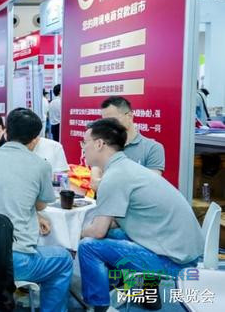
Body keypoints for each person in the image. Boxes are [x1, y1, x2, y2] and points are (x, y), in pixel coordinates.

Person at [78, 118, 203, 312]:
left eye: (85, 142)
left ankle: (101, 306)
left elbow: (98, 231)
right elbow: (112, 223)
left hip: (174, 262)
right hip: (182, 251)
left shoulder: (114, 177)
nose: (83, 148)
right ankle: (143, 293)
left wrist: (76, 232)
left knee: (88, 246)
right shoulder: (127, 168)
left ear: (99, 144)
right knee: (113, 235)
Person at [0, 108, 73, 312]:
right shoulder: (40, 165)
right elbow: (42, 204)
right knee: (64, 259)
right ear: (35, 139)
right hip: (13, 260)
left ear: (7, 131)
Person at [91, 96, 165, 191]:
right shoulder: (103, 145)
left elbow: (151, 185)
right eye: (104, 122)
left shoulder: (152, 148)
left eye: (112, 120)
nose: (108, 126)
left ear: (129, 116)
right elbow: (95, 183)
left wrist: (109, 183)